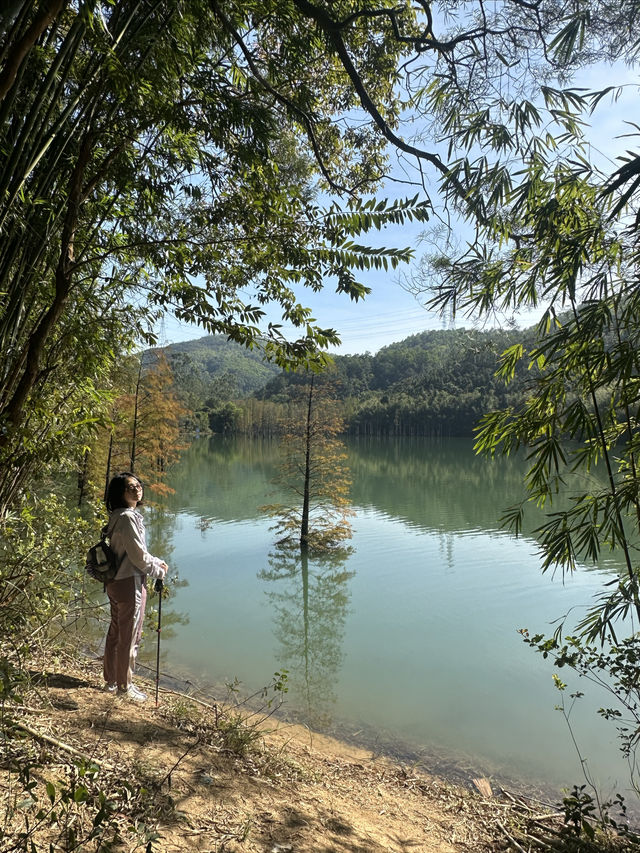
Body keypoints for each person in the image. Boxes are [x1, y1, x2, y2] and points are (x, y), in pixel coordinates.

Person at [102, 472, 168, 701]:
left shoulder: (118, 515)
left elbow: (134, 551)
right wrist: (159, 570)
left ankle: (111, 681)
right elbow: (138, 557)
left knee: (116, 632)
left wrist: (155, 560)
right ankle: (125, 687)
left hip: (114, 581)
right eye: (130, 487)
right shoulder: (128, 518)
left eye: (138, 485)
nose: (137, 489)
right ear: (120, 492)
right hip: (130, 582)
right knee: (130, 636)